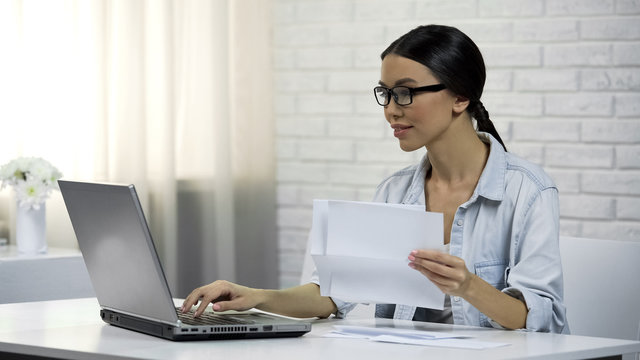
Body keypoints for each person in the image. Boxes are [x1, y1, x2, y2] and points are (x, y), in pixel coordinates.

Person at [181, 24, 569, 333]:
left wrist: (467, 285)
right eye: (386, 93)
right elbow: (334, 295)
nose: (391, 111)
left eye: (406, 93)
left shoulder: (529, 191)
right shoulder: (394, 190)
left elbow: (538, 318)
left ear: (460, 97)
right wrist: (253, 296)